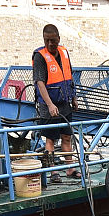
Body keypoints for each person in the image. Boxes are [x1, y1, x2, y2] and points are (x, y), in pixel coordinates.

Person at [33, 24, 79, 183]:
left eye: (53, 40)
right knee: (50, 139)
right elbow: (40, 82)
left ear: (58, 39)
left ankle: (70, 168)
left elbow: (69, 75)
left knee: (67, 136)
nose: (50, 43)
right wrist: (50, 104)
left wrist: (74, 97)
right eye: (46, 40)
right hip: (49, 106)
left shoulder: (64, 52)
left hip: (64, 103)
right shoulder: (40, 56)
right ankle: (53, 171)